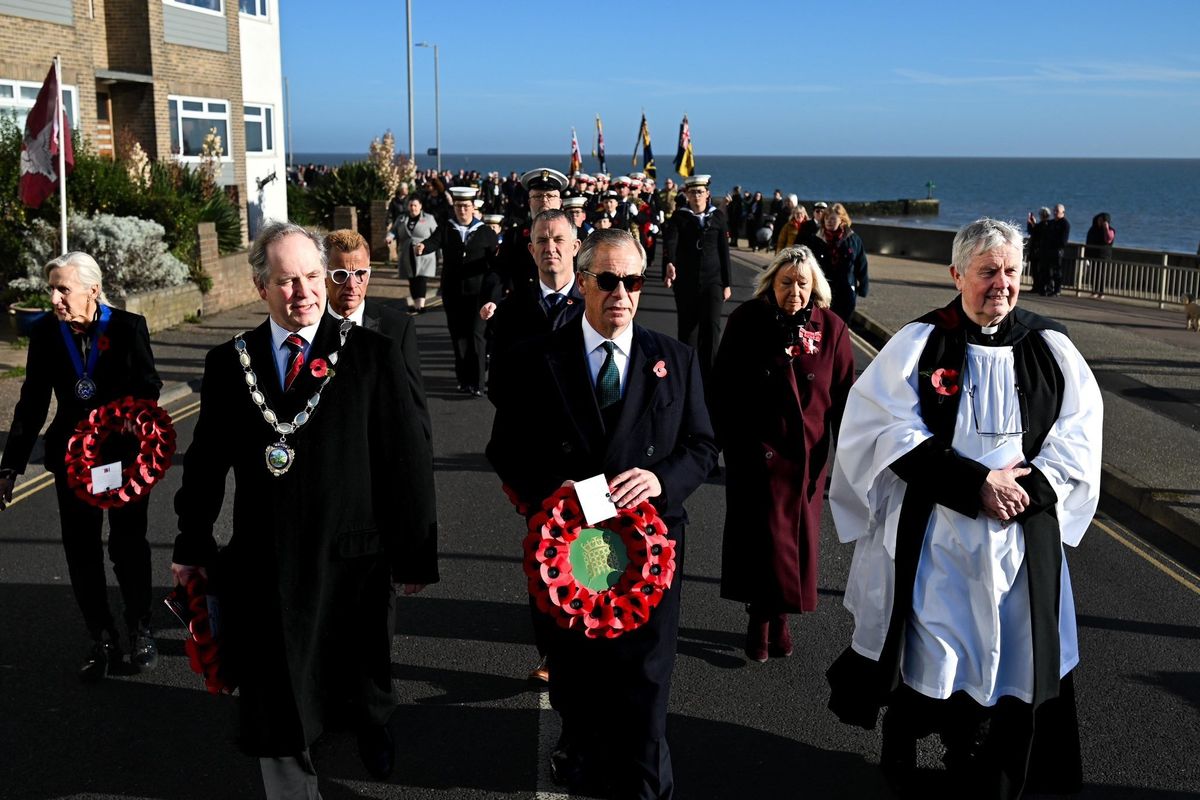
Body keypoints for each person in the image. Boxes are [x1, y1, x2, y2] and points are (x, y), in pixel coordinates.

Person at [826, 218, 1103, 799]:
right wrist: (974, 482)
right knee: (936, 646)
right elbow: (884, 426)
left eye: (1010, 271)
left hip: (1023, 536)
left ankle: (991, 764)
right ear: (956, 274)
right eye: (987, 272)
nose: (1001, 283)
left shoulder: (1051, 347)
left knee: (1016, 653)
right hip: (940, 535)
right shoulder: (921, 342)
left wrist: (1032, 486)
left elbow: (1080, 435)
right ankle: (913, 739)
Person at [171, 221, 438, 796]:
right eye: (287, 281)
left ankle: (371, 726)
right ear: (261, 286)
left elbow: (405, 460)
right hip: (266, 562)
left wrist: (415, 553)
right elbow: (205, 462)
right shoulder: (229, 363)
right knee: (276, 691)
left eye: (313, 276)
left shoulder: (371, 355)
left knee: (359, 672)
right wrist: (191, 544)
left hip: (354, 557)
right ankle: (292, 779)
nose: (305, 292)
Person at [487, 228, 718, 799]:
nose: (621, 293)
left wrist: (660, 479)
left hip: (651, 554)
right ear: (584, 282)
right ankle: (579, 743)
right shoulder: (535, 360)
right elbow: (505, 449)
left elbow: (703, 446)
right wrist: (554, 490)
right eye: (608, 280)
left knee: (646, 681)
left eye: (632, 281)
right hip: (572, 553)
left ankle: (645, 783)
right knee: (576, 673)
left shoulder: (677, 359)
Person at [0, 251, 163, 681]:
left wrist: (122, 418)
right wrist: (10, 465)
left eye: (63, 289)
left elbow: (149, 385)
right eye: (51, 288)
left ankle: (140, 628)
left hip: (125, 457)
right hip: (71, 460)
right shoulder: (45, 334)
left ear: (93, 289)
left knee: (129, 545)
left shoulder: (128, 328)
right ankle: (103, 635)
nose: (54, 297)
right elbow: (32, 402)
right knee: (81, 550)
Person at [712, 246, 855, 662]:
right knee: (763, 542)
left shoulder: (832, 328)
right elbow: (722, 390)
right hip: (756, 452)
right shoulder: (746, 321)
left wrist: (852, 455)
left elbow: (846, 396)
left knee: (794, 543)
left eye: (802, 284)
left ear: (816, 288)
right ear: (771, 283)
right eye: (786, 282)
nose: (794, 291)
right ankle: (762, 618)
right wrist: (729, 445)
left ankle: (779, 616)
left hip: (808, 458)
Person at [324, 229, 431, 443]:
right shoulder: (305, 328)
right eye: (341, 275)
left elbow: (414, 410)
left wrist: (422, 471)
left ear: (369, 272)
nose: (352, 285)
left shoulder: (398, 328)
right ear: (323, 274)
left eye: (360, 274)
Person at [419, 186, 501, 396]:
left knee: (476, 335)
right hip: (453, 293)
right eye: (458, 206)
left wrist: (494, 296)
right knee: (459, 336)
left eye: (465, 206)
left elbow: (495, 265)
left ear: (473, 207)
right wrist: (423, 247)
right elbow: (433, 242)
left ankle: (478, 383)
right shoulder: (447, 227)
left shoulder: (485, 232)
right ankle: (463, 380)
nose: (462, 210)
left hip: (478, 295)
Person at [663, 174, 732, 388]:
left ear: (707, 194)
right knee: (688, 329)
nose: (696, 196)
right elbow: (671, 242)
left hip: (713, 281)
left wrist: (727, 283)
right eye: (692, 192)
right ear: (687, 195)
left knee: (711, 327)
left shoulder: (718, 217)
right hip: (686, 282)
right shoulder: (679, 217)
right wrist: (670, 263)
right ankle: (687, 372)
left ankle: (711, 374)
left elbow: (724, 251)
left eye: (700, 192)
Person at [810, 202, 868, 322]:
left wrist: (863, 286)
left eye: (832, 218)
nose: (829, 221)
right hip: (823, 289)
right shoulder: (816, 239)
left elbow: (861, 263)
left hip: (846, 289)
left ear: (842, 220)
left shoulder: (853, 239)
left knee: (842, 323)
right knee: (824, 322)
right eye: (826, 218)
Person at [386, 195, 438, 314]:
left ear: (420, 206)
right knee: (412, 279)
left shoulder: (429, 218)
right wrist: (389, 237)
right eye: (411, 205)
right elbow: (394, 231)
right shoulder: (401, 218)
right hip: (407, 253)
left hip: (424, 254)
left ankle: (421, 305)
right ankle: (416, 304)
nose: (413, 207)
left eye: (415, 205)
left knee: (421, 278)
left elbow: (436, 235)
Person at [1084, 212, 1115, 298]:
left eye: (1102, 220)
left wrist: (1106, 229)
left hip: (1104, 256)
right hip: (1093, 255)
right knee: (1093, 274)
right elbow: (1088, 242)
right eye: (1099, 220)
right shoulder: (1092, 230)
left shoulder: (1111, 230)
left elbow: (1108, 240)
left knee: (1102, 274)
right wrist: (1087, 255)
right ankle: (1094, 291)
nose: (1100, 222)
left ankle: (1101, 292)